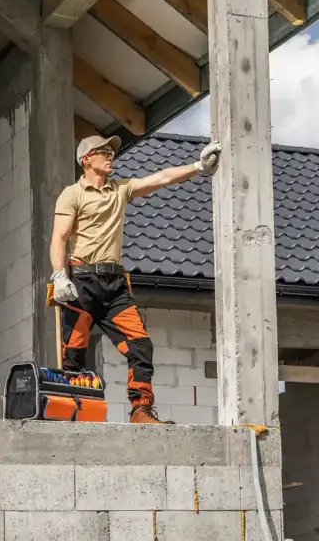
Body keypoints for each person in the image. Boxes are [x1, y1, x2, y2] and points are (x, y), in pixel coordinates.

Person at [49, 134, 221, 424]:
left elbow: (162, 178)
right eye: (103, 151)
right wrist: (59, 275)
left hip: (115, 285)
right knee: (74, 353)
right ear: (86, 159)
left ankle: (141, 410)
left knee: (140, 345)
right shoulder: (72, 194)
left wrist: (198, 167)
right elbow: (59, 237)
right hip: (81, 283)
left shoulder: (121, 189)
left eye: (111, 151)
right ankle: (72, 415)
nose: (110, 155)